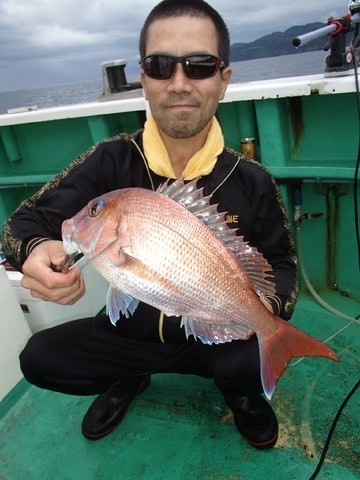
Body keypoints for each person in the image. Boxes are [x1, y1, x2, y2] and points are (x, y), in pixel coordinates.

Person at [2, 0, 297, 450]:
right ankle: (130, 376)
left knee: (250, 357)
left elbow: (282, 264)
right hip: (130, 334)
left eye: (200, 66)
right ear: (143, 78)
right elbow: (23, 222)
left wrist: (263, 311)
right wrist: (35, 249)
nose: (178, 83)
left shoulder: (253, 180)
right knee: (41, 358)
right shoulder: (110, 161)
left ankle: (239, 391)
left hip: (215, 334)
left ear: (224, 79)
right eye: (160, 66)